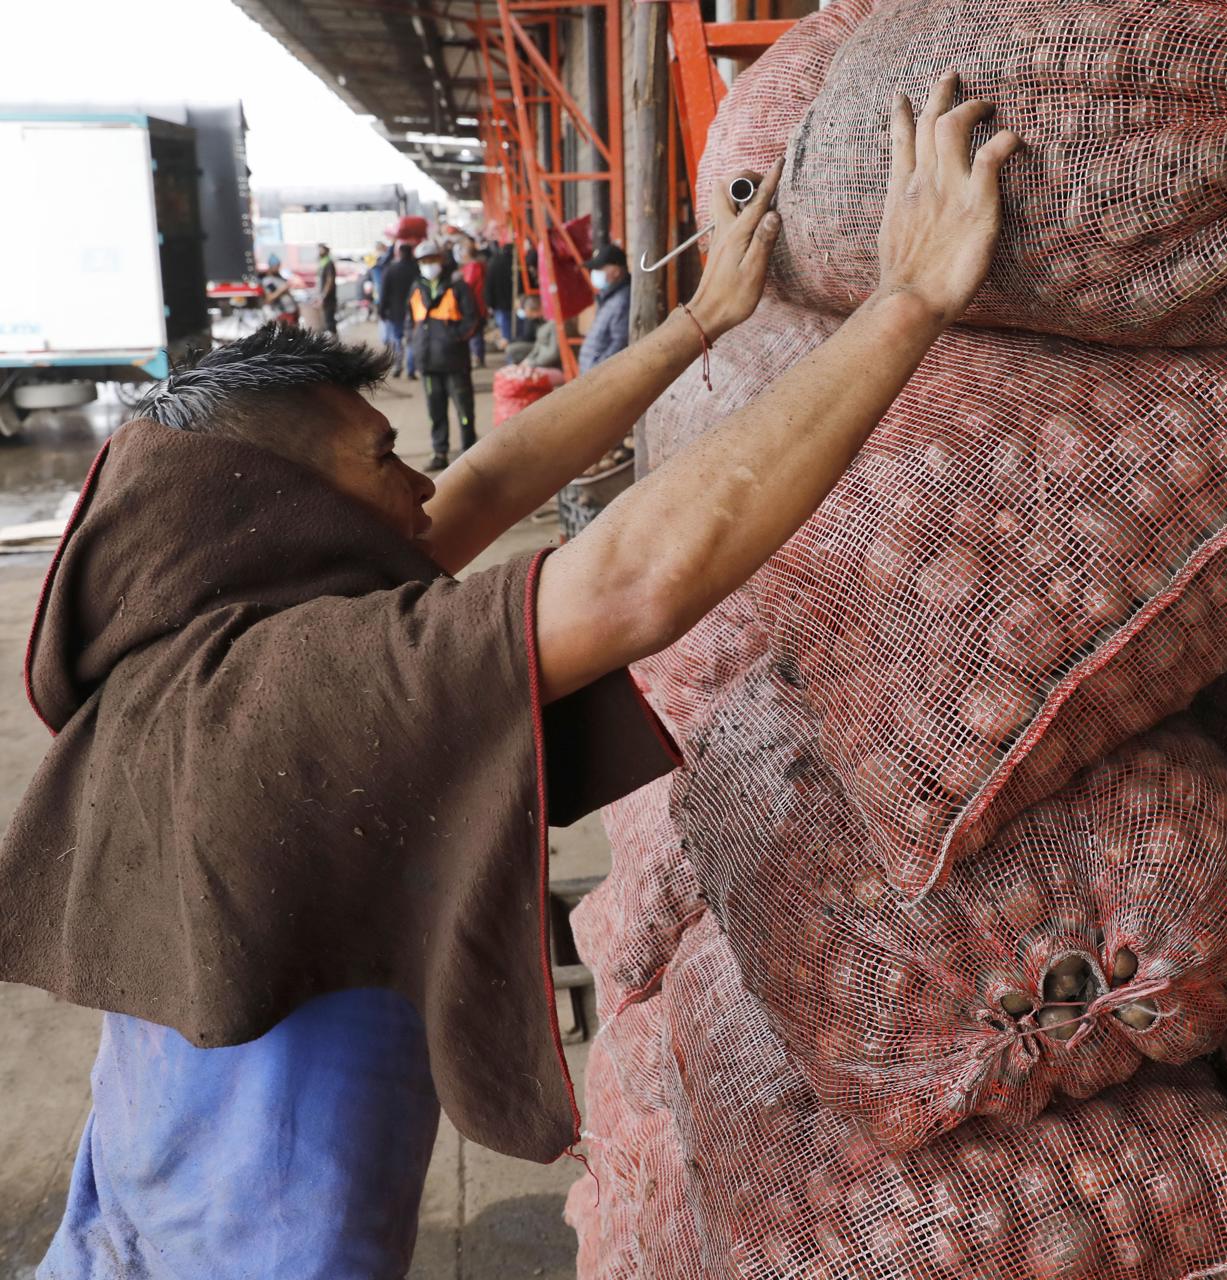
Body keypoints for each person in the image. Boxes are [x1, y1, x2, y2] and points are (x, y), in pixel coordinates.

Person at [8, 74, 1015, 1278]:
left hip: (124, 1207)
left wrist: (700, 326)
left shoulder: (183, 647)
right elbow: (636, 577)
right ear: (276, 508)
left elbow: (479, 485)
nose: (420, 485)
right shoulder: (304, 688)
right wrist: (909, 299)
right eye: (382, 457)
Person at [407, 240, 484, 471]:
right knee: (435, 411)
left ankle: (469, 451)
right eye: (423, 262)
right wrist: (412, 341)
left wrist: (453, 338)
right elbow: (410, 321)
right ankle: (439, 452)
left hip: (454, 360)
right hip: (428, 361)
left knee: (464, 410)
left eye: (431, 260)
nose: (428, 265)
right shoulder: (416, 288)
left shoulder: (458, 286)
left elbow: (474, 320)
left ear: (440, 259)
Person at [577, 242, 632, 372]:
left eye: (600, 269)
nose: (594, 273)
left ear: (616, 271)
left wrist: (598, 370)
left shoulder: (623, 299)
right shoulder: (609, 296)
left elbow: (619, 343)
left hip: (600, 376)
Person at [376, 242, 419, 379]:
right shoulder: (416, 269)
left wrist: (381, 310)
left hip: (395, 313)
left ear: (399, 253)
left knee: (397, 339)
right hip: (414, 311)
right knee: (411, 340)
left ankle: (398, 366)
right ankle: (411, 370)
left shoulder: (391, 269)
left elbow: (383, 292)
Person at [455, 236, 488, 367]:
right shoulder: (473, 266)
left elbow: (468, 285)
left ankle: (478, 357)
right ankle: (478, 356)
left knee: (475, 331)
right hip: (475, 304)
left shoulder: (473, 267)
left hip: (475, 304)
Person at [485, 234, 518, 349]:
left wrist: (489, 303)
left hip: (500, 305)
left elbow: (489, 285)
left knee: (506, 333)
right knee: (517, 332)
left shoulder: (494, 263)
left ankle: (510, 358)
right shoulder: (517, 263)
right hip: (516, 304)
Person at [259, 255, 298, 328]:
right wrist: (282, 290)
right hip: (282, 313)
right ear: (271, 266)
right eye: (276, 266)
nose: (278, 268)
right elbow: (269, 298)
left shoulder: (281, 278)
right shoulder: (268, 281)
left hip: (292, 311)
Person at [315, 243, 339, 336]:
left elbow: (330, 281)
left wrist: (323, 295)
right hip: (324, 296)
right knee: (327, 317)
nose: (319, 252)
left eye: (321, 249)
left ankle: (333, 337)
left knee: (329, 318)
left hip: (329, 297)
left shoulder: (329, 263)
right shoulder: (323, 262)